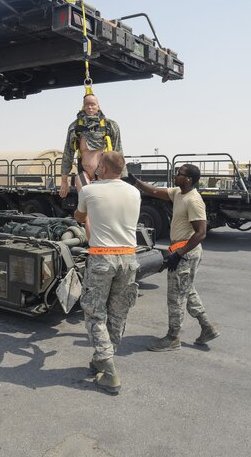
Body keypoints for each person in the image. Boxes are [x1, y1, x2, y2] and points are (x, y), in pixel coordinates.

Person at [126, 164, 219, 351]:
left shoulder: (193, 200)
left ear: (189, 179)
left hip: (186, 253)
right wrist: (135, 181)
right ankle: (207, 327)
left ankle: (173, 338)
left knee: (176, 297)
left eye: (179, 174)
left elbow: (201, 233)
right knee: (187, 291)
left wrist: (179, 254)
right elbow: (154, 190)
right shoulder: (178, 192)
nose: (176, 175)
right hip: (181, 250)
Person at [74, 151, 141, 394]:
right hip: (129, 258)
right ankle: (101, 360)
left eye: (99, 165)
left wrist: (86, 190)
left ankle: (109, 369)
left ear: (102, 167)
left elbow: (80, 216)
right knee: (117, 313)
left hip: (102, 257)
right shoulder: (134, 192)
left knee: (94, 313)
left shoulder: (89, 191)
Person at [59, 93, 125, 199]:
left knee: (103, 204)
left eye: (93, 104)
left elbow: (119, 151)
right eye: (87, 105)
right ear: (83, 106)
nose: (90, 107)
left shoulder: (110, 125)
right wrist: (64, 181)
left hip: (105, 175)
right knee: (86, 201)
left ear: (98, 105)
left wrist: (121, 179)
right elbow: (68, 153)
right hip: (84, 173)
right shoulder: (75, 127)